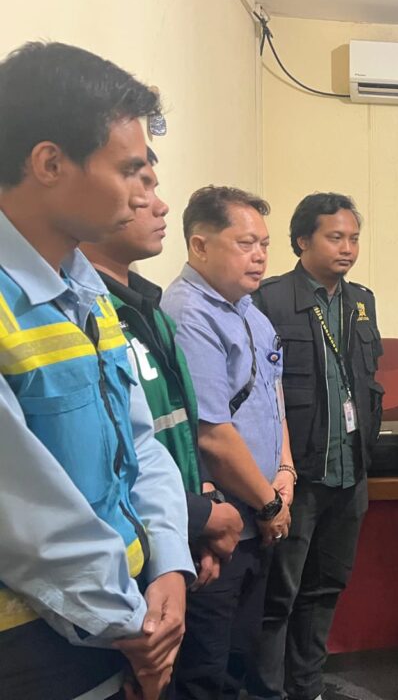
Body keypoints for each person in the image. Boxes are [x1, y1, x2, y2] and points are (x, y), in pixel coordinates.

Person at [0, 41, 192, 700]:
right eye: (130, 169)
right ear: (49, 163)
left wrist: (169, 566)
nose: (145, 192)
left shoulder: (85, 289)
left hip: (123, 612)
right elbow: (24, 514)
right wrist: (134, 628)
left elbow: (140, 443)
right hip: (33, 642)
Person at [81, 147, 243, 589]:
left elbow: (180, 430)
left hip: (177, 531)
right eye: (139, 184)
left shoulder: (152, 311)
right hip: (122, 557)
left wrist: (200, 510)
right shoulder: (83, 311)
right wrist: (200, 516)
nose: (159, 205)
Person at [249, 193, 382, 700]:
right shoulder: (270, 299)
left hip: (349, 472)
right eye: (335, 237)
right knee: (278, 597)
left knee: (325, 589)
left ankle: (307, 688)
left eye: (354, 238)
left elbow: (365, 385)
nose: (347, 248)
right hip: (298, 476)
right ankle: (268, 691)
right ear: (303, 240)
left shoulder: (362, 302)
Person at [163, 186, 294, 700]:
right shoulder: (189, 314)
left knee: (240, 660)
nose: (259, 255)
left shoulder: (250, 311)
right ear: (199, 245)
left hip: (260, 512)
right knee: (206, 672)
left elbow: (273, 400)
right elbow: (212, 435)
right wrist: (269, 502)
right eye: (245, 243)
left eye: (264, 244)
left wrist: (285, 472)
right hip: (221, 526)